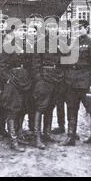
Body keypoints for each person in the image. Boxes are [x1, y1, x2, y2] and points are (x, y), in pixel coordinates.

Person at [61, 19, 91, 148]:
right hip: (71, 83)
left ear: (86, 29)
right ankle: (70, 136)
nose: (78, 30)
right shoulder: (70, 43)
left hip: (85, 83)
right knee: (71, 109)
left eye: (80, 28)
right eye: (76, 28)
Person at [0, 23, 35, 152]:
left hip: (25, 82)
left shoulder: (27, 46)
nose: (22, 33)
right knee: (12, 110)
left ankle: (18, 134)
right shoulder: (8, 46)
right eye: (20, 30)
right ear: (14, 32)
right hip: (13, 83)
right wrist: (8, 79)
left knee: (22, 109)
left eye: (24, 31)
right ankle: (13, 140)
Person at [32, 15, 65, 149]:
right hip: (44, 79)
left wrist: (61, 76)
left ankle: (46, 133)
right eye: (49, 26)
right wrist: (39, 78)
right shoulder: (40, 43)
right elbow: (35, 64)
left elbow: (64, 61)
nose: (52, 28)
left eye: (54, 26)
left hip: (56, 79)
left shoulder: (61, 42)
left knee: (51, 106)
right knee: (40, 107)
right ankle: (37, 136)